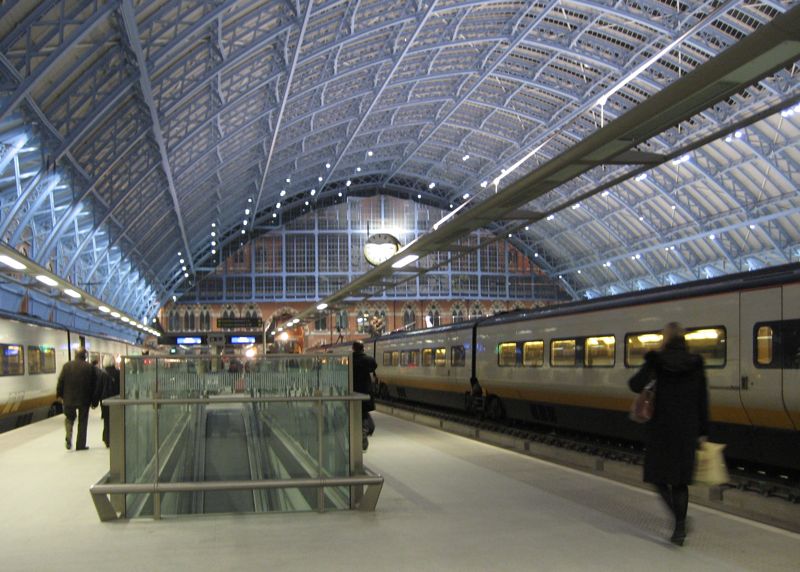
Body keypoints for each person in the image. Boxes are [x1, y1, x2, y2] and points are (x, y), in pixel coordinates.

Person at [628, 322, 709, 546]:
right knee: (680, 482)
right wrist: (703, 431)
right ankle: (679, 528)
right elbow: (703, 399)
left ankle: (678, 518)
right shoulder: (696, 363)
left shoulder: (656, 360)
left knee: (657, 476)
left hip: (661, 429)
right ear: (683, 339)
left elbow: (634, 385)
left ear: (665, 338)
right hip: (687, 429)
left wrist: (649, 367)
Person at [56, 349, 98, 451]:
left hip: (68, 399)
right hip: (84, 399)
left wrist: (60, 395)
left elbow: (60, 381)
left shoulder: (67, 366)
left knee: (69, 418)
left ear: (76, 355)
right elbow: (94, 385)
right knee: (83, 421)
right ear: (85, 356)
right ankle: (80, 445)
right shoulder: (89, 367)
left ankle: (69, 436)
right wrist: (94, 400)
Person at [352, 341, 377, 451]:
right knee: (364, 415)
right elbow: (374, 366)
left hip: (353, 393)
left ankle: (361, 436)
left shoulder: (350, 360)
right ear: (363, 349)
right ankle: (364, 434)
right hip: (366, 393)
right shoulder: (368, 360)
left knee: (358, 416)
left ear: (353, 348)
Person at [100, 356, 120, 448]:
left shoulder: (101, 373)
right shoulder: (118, 373)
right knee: (116, 419)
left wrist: (94, 401)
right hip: (117, 399)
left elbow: (98, 388)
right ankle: (115, 438)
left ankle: (107, 439)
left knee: (106, 420)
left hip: (104, 401)